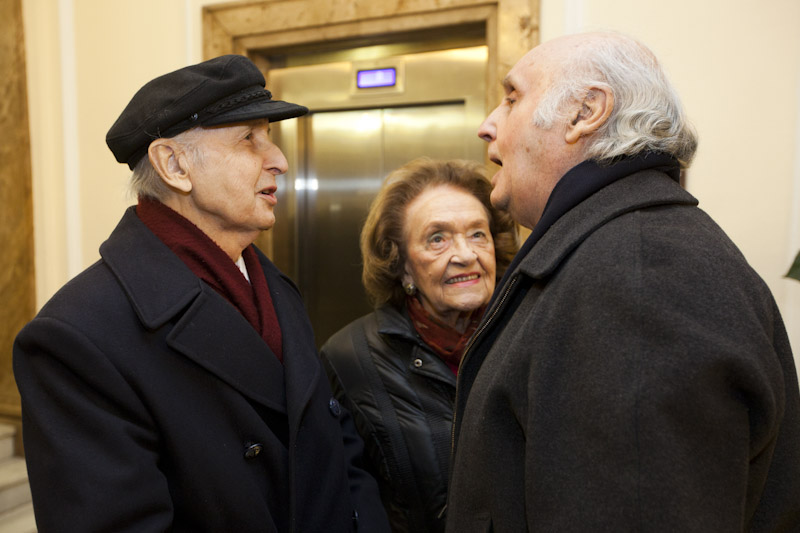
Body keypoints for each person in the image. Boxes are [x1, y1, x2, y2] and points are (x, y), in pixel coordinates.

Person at [13, 54, 388, 533]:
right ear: (174, 165)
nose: (280, 161)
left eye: (270, 137)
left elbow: (335, 447)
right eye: (249, 139)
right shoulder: (75, 337)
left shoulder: (275, 286)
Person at [446, 31, 800, 532]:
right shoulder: (613, 248)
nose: (487, 126)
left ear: (586, 112)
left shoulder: (637, 277)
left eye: (511, 98)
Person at [320, 158, 518, 532]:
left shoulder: (532, 332)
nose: (465, 255)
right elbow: (347, 499)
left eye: (478, 234)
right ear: (403, 266)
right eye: (437, 238)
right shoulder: (350, 359)